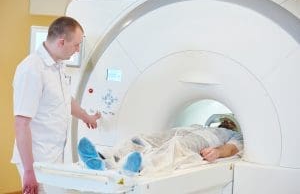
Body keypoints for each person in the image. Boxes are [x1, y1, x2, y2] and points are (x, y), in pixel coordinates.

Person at [11, 16, 101, 194]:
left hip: (54, 156)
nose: (77, 50)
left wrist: (86, 117)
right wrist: (29, 172)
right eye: (76, 45)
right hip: (37, 161)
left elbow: (65, 100)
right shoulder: (32, 69)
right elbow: (21, 124)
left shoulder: (58, 66)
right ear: (61, 42)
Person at [78, 117, 243, 175]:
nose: (226, 123)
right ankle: (103, 159)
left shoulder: (235, 135)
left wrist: (216, 152)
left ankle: (136, 166)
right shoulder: (199, 125)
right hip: (177, 133)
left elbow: (230, 149)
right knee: (141, 139)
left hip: (192, 143)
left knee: (173, 150)